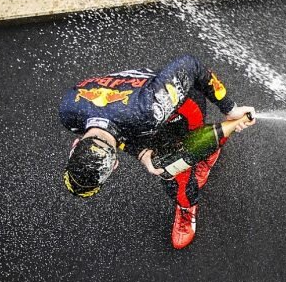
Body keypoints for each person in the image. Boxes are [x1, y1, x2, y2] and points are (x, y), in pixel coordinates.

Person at [59, 55, 256, 249]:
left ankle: (187, 207)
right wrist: (141, 153)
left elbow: (191, 64)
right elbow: (110, 129)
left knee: (174, 174)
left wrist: (230, 109)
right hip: (144, 100)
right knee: (157, 148)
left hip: (181, 109)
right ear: (75, 145)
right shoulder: (68, 111)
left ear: (115, 166)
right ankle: (207, 151)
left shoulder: (149, 110)